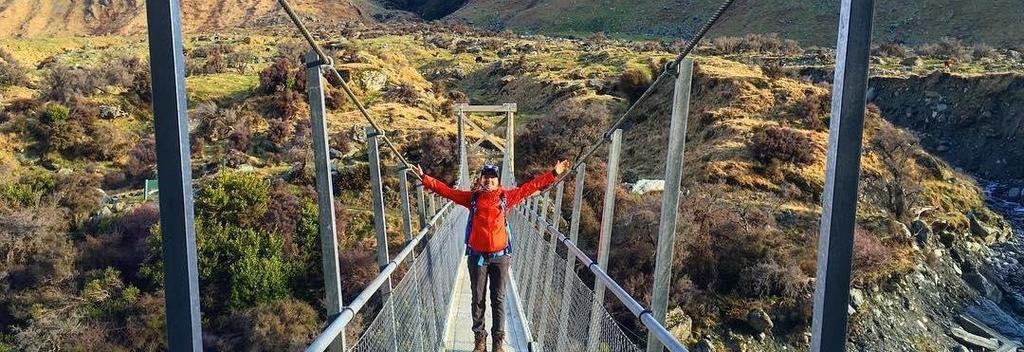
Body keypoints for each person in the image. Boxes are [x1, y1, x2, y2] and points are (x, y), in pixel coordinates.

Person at [412, 160, 570, 352]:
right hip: (477, 257)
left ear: (498, 180)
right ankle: (480, 340)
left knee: (498, 299)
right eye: (486, 177)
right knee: (477, 298)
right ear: (480, 180)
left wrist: (554, 173)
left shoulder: (507, 197)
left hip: (500, 257)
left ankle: (497, 343)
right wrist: (425, 178)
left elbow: (530, 187)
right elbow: (448, 192)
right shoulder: (472, 198)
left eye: (493, 177)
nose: (489, 181)